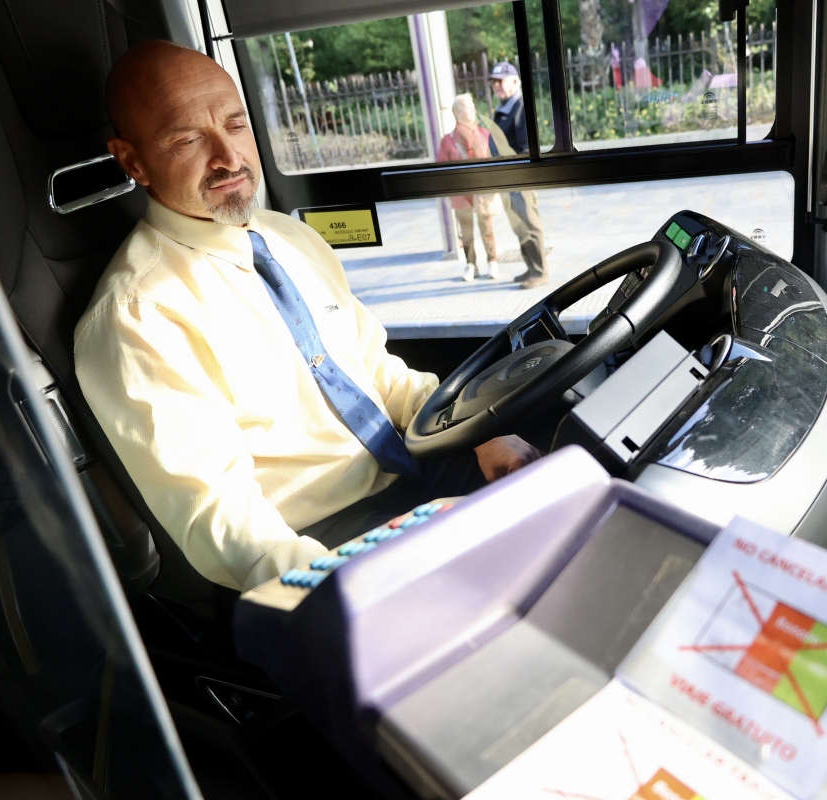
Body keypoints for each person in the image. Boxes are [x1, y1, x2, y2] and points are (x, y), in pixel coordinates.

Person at [76, 41, 541, 592]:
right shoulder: (138, 314)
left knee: (570, 470)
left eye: (235, 125)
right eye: (187, 140)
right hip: (323, 539)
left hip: (414, 468)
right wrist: (336, 587)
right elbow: (220, 517)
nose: (229, 157)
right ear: (132, 161)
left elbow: (382, 374)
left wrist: (476, 435)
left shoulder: (289, 237)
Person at [488, 62, 550, 290]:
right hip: (508, 179)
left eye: (501, 81)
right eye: (494, 82)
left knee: (530, 224)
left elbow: (526, 148)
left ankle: (540, 272)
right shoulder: (505, 107)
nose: (496, 85)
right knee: (520, 225)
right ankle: (531, 267)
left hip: (519, 178)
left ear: (515, 81)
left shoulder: (520, 107)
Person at [437, 94, 499, 282]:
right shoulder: (447, 140)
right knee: (466, 233)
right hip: (461, 194)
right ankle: (471, 264)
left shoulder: (484, 134)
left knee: (487, 229)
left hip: (482, 191)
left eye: (472, 106)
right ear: (457, 112)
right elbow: (441, 169)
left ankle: (492, 262)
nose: (472, 110)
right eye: (466, 107)